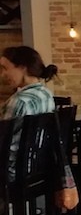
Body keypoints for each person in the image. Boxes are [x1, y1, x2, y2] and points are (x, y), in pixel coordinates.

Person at [0, 46, 58, 179]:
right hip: (38, 166)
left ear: (22, 68)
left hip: (13, 172)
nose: (3, 74)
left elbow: (4, 144)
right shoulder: (46, 94)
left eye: (5, 68)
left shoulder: (19, 101)